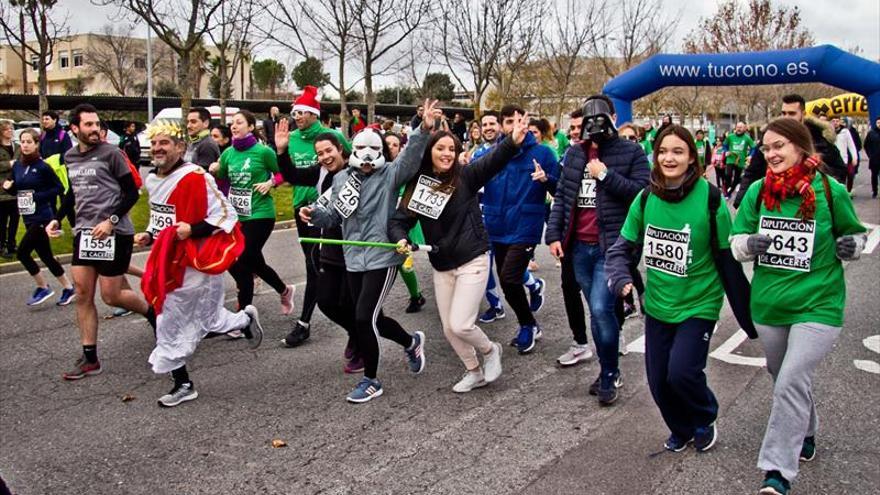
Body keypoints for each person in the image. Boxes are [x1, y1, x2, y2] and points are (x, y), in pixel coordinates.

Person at [729, 118, 867, 495]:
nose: (770, 154)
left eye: (779, 146)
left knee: (791, 378)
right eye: (766, 148)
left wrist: (852, 247)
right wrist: (749, 245)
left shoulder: (829, 189)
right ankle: (805, 429)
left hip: (818, 303)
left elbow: (855, 235)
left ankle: (777, 471)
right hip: (771, 303)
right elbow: (736, 239)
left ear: (800, 148)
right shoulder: (758, 191)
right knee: (783, 374)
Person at [606, 124, 736, 453]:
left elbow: (730, 254)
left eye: (678, 151)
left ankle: (704, 416)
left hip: (699, 303)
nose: (668, 157)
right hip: (659, 305)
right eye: (663, 151)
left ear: (692, 157)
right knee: (658, 382)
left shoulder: (711, 199)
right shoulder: (646, 197)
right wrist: (621, 281)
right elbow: (620, 249)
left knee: (682, 373)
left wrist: (750, 304)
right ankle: (681, 427)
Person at [303, 99, 439, 403]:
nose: (365, 156)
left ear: (381, 152)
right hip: (353, 257)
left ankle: (371, 379)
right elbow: (334, 217)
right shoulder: (341, 179)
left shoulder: (391, 175)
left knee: (364, 317)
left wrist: (422, 129)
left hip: (383, 256)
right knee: (369, 317)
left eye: (372, 150)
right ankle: (410, 341)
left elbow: (411, 157)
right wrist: (314, 215)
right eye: (360, 149)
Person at [387, 115, 530, 392]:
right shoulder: (419, 186)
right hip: (442, 264)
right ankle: (473, 371)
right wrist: (401, 239)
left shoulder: (466, 176)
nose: (446, 153)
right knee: (449, 329)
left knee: (462, 324)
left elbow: (494, 160)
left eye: (451, 149)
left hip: (472, 259)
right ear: (429, 153)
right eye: (440, 148)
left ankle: (490, 351)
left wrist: (512, 141)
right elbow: (398, 221)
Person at [137, 119, 263, 407]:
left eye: (164, 143)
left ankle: (186, 381)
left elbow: (226, 216)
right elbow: (162, 217)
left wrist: (192, 230)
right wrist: (150, 233)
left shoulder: (196, 176)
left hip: (198, 263)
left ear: (180, 147)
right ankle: (242, 323)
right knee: (186, 319)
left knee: (187, 319)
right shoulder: (153, 179)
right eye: (154, 143)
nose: (157, 148)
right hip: (170, 260)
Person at [545, 95, 649, 405]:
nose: (593, 124)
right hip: (580, 247)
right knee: (598, 310)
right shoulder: (574, 155)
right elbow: (563, 198)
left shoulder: (631, 152)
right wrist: (553, 235)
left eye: (599, 117)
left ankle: (608, 372)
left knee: (602, 309)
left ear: (613, 116)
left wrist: (605, 174)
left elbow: (642, 195)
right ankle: (609, 363)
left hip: (614, 247)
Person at [46, 103, 156, 380]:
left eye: (97, 125)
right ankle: (90, 358)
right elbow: (73, 193)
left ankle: (155, 316)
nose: (95, 130)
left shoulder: (112, 153)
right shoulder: (70, 157)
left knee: (111, 295)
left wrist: (111, 221)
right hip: (84, 233)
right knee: (83, 294)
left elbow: (131, 193)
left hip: (114, 232)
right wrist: (58, 218)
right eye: (89, 125)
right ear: (75, 129)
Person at [274, 121, 363, 372]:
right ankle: (356, 333)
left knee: (352, 303)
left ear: (340, 149)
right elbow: (292, 176)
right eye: (320, 153)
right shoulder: (320, 172)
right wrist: (282, 152)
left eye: (329, 151)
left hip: (356, 248)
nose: (325, 157)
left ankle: (365, 343)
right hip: (330, 245)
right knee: (326, 301)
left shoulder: (358, 171)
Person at [481, 104, 559, 355]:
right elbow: (470, 179)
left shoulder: (544, 153)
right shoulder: (492, 154)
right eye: (509, 122)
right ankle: (532, 304)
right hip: (497, 225)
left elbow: (560, 191)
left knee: (509, 277)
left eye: (520, 121)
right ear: (503, 126)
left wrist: (547, 179)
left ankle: (528, 325)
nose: (515, 127)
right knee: (508, 283)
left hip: (525, 226)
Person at [281, 85, 351, 346]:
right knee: (315, 265)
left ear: (313, 113)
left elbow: (351, 162)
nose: (297, 117)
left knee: (318, 266)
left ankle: (304, 323)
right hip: (303, 209)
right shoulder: (293, 138)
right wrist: (281, 152)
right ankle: (354, 314)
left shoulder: (331, 136)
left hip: (329, 212)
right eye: (294, 112)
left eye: (301, 112)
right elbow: (290, 173)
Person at [209, 110, 294, 315]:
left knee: (245, 258)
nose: (234, 126)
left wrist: (270, 182)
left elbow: (284, 173)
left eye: (239, 123)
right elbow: (221, 176)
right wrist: (214, 169)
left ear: (250, 127)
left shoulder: (263, 152)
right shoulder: (228, 153)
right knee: (249, 260)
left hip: (260, 213)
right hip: (237, 216)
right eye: (232, 124)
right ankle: (284, 290)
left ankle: (242, 315)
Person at [1, 128, 74, 306]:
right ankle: (68, 287)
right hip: (27, 216)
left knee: (23, 252)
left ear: (36, 144)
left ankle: (43, 287)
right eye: (23, 142)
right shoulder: (18, 165)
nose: (25, 145)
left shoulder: (43, 167)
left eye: (29, 142)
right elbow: (15, 188)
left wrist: (37, 196)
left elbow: (58, 188)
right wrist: (8, 187)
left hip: (42, 217)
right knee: (46, 256)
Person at [734, 94, 847, 208]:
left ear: (803, 115)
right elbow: (752, 172)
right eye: (784, 113)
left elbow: (838, 172)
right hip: (774, 204)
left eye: (792, 113)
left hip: (811, 206)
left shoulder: (820, 142)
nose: (787, 117)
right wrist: (741, 203)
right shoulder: (769, 139)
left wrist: (822, 195)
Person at [385, 132, 426, 313]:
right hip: (383, 227)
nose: (391, 147)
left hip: (405, 226)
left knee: (405, 265)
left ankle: (415, 297)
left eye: (395, 144)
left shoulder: (407, 170)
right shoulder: (377, 171)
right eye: (388, 144)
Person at [0, 120, 19, 258]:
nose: (10, 131)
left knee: (15, 220)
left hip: (17, 190)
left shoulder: (17, 146)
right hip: (2, 191)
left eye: (11, 129)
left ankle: (12, 245)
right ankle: (1, 245)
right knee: (2, 221)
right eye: (7, 129)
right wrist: (9, 164)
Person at [722, 121, 755, 198]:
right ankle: (726, 189)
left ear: (744, 128)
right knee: (728, 174)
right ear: (735, 128)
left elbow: (753, 148)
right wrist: (726, 151)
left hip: (741, 160)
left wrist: (750, 156)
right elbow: (724, 145)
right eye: (737, 127)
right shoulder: (730, 137)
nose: (739, 129)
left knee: (737, 178)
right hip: (730, 159)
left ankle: (729, 192)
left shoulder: (747, 138)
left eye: (741, 127)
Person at [831, 116, 858, 194]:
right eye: (833, 121)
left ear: (840, 122)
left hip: (843, 160)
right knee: (834, 180)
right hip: (832, 161)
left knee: (843, 179)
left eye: (837, 121)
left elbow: (851, 146)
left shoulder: (845, 132)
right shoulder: (828, 132)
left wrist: (854, 157)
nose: (835, 123)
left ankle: (845, 193)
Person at [864, 116, 880, 198]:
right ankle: (875, 191)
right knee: (874, 176)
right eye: (878, 123)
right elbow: (866, 145)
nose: (879, 124)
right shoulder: (871, 133)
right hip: (874, 159)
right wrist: (870, 155)